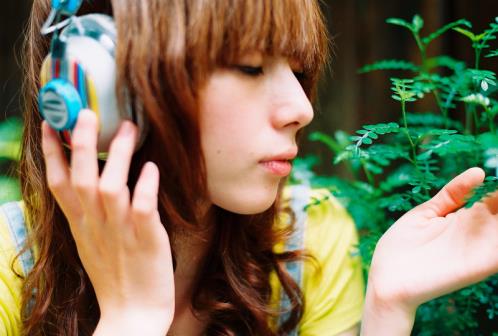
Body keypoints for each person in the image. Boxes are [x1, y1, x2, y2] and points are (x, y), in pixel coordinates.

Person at [0, 0, 497, 335]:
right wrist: (131, 319)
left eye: (298, 71)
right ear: (102, 86)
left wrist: (388, 309)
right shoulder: (11, 266)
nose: (301, 108)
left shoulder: (309, 242)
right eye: (250, 66)